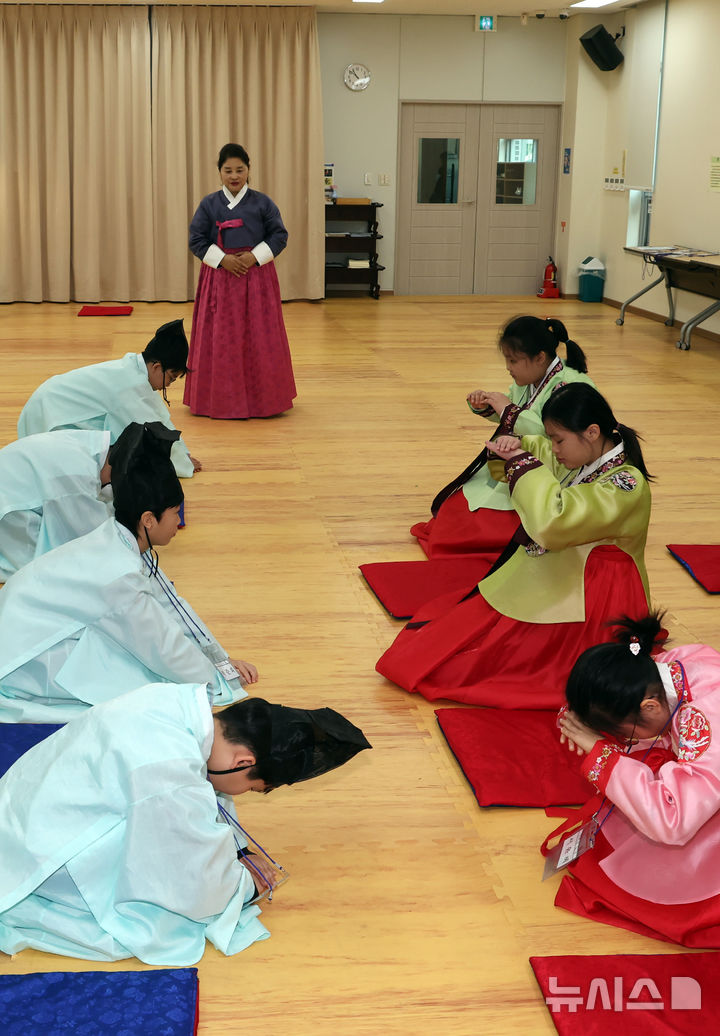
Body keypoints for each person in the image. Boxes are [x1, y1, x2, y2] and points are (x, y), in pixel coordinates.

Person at [0, 682, 371, 965]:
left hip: (22, 805)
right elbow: (191, 878)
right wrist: (246, 887)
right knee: (156, 926)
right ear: (243, 762)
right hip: (36, 859)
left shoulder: (171, 701)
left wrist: (230, 850)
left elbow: (196, 815)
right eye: (255, 788)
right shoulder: (171, 778)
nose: (240, 796)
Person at [376, 383, 652, 709]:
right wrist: (517, 444)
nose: (554, 447)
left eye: (558, 439)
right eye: (552, 438)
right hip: (565, 572)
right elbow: (543, 452)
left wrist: (522, 461)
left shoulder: (626, 483)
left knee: (503, 663)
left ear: (592, 432)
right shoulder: (585, 454)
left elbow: (554, 522)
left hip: (597, 595)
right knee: (468, 635)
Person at [0, 424, 254, 723]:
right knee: (142, 682)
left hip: (24, 626)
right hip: (20, 658)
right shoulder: (118, 574)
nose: (178, 522)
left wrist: (218, 658)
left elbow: (169, 604)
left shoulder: (115, 536)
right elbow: (162, 644)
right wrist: (216, 681)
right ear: (148, 519)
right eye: (175, 512)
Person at [553, 613, 720, 947]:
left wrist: (601, 752)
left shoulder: (704, 722)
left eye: (621, 731)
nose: (620, 738)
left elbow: (673, 823)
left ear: (649, 706)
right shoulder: (665, 669)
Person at [412, 316, 594, 560]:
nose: (509, 367)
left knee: (482, 524)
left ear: (540, 357)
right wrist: (487, 405)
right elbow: (513, 417)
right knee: (458, 507)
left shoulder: (570, 385)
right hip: (526, 455)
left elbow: (553, 434)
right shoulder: (530, 378)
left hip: (558, 467)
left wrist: (508, 409)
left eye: (513, 360)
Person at [184, 142, 297, 419]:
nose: (234, 176)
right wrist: (223, 259)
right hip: (220, 280)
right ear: (219, 172)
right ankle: (217, 400)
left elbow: (279, 236)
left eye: (240, 170)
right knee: (220, 337)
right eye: (228, 170)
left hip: (256, 277)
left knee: (259, 334)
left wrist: (253, 257)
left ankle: (264, 400)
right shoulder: (209, 204)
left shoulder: (262, 203)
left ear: (248, 170)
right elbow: (196, 239)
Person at [17, 319, 200, 478]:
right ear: (156, 367)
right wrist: (182, 464)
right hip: (47, 417)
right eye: (170, 378)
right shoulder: (128, 385)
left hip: (50, 407)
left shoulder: (134, 371)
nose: (168, 385)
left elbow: (160, 417)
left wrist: (183, 453)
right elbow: (151, 430)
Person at [0, 430, 113, 581]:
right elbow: (92, 536)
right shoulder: (79, 475)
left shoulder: (90, 443)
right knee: (55, 569)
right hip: (9, 509)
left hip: (11, 484)